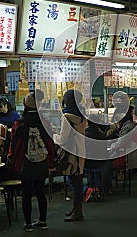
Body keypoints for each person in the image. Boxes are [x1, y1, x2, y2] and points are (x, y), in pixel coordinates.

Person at [10, 92, 55, 232]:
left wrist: (14, 162)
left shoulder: (19, 124)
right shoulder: (45, 123)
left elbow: (14, 146)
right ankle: (42, 221)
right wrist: (51, 164)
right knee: (41, 193)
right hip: (41, 163)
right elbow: (50, 145)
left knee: (26, 194)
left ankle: (28, 223)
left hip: (25, 164)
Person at [54, 89, 87, 222]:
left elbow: (62, 139)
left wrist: (54, 136)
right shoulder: (81, 115)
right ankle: (77, 209)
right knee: (78, 182)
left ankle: (78, 212)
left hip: (71, 153)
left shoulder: (66, 116)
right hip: (81, 151)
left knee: (75, 184)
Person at [83, 114, 107, 202]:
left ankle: (87, 190)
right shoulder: (102, 136)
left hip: (87, 163)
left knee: (69, 178)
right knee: (96, 173)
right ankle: (96, 189)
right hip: (100, 163)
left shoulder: (84, 135)